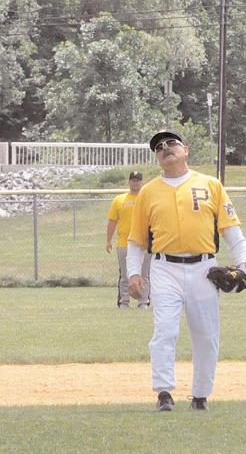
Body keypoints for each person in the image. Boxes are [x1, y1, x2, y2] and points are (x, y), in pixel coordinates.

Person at [127, 129, 246, 412]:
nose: (165, 148)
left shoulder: (211, 184)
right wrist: (133, 272)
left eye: (171, 143)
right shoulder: (148, 192)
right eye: (159, 147)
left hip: (204, 268)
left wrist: (243, 265)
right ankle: (164, 392)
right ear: (157, 158)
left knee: (206, 334)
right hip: (164, 268)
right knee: (165, 330)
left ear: (186, 149)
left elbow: (232, 231)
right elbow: (137, 240)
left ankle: (200, 396)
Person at [106, 171, 150, 309]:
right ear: (129, 182)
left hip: (143, 243)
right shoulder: (119, 200)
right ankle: (123, 302)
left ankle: (144, 302)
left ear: (142, 182)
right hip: (124, 243)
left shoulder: (147, 199)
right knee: (125, 275)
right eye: (133, 180)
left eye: (138, 180)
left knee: (144, 274)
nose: (135, 183)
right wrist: (108, 240)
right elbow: (112, 221)